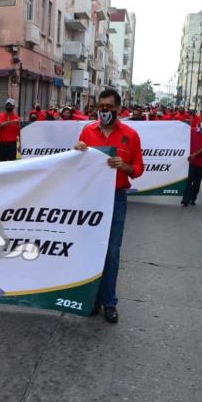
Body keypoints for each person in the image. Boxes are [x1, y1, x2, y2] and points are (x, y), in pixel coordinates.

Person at [73, 88, 144, 324]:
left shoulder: (131, 135)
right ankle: (92, 299)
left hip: (115, 197)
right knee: (91, 249)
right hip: (90, 198)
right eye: (101, 106)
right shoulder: (87, 131)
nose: (104, 111)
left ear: (118, 108)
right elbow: (78, 164)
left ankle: (109, 302)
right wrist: (78, 151)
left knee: (112, 252)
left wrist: (124, 166)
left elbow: (138, 169)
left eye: (109, 107)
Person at [182, 115, 202, 206]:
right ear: (200, 122)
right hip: (191, 161)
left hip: (201, 162)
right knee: (188, 181)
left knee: (197, 182)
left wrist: (195, 154)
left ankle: (193, 198)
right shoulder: (193, 131)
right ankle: (185, 199)